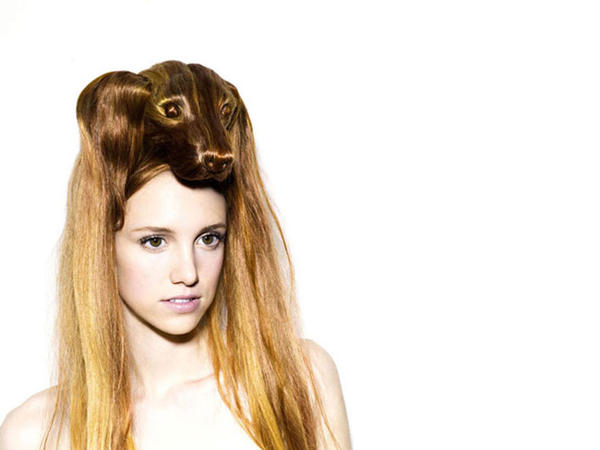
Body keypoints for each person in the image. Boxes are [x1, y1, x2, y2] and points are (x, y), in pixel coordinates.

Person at [0, 60, 351, 450]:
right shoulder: (37, 435)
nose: (188, 272)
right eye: (155, 241)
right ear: (102, 245)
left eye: (208, 239)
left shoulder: (301, 381)